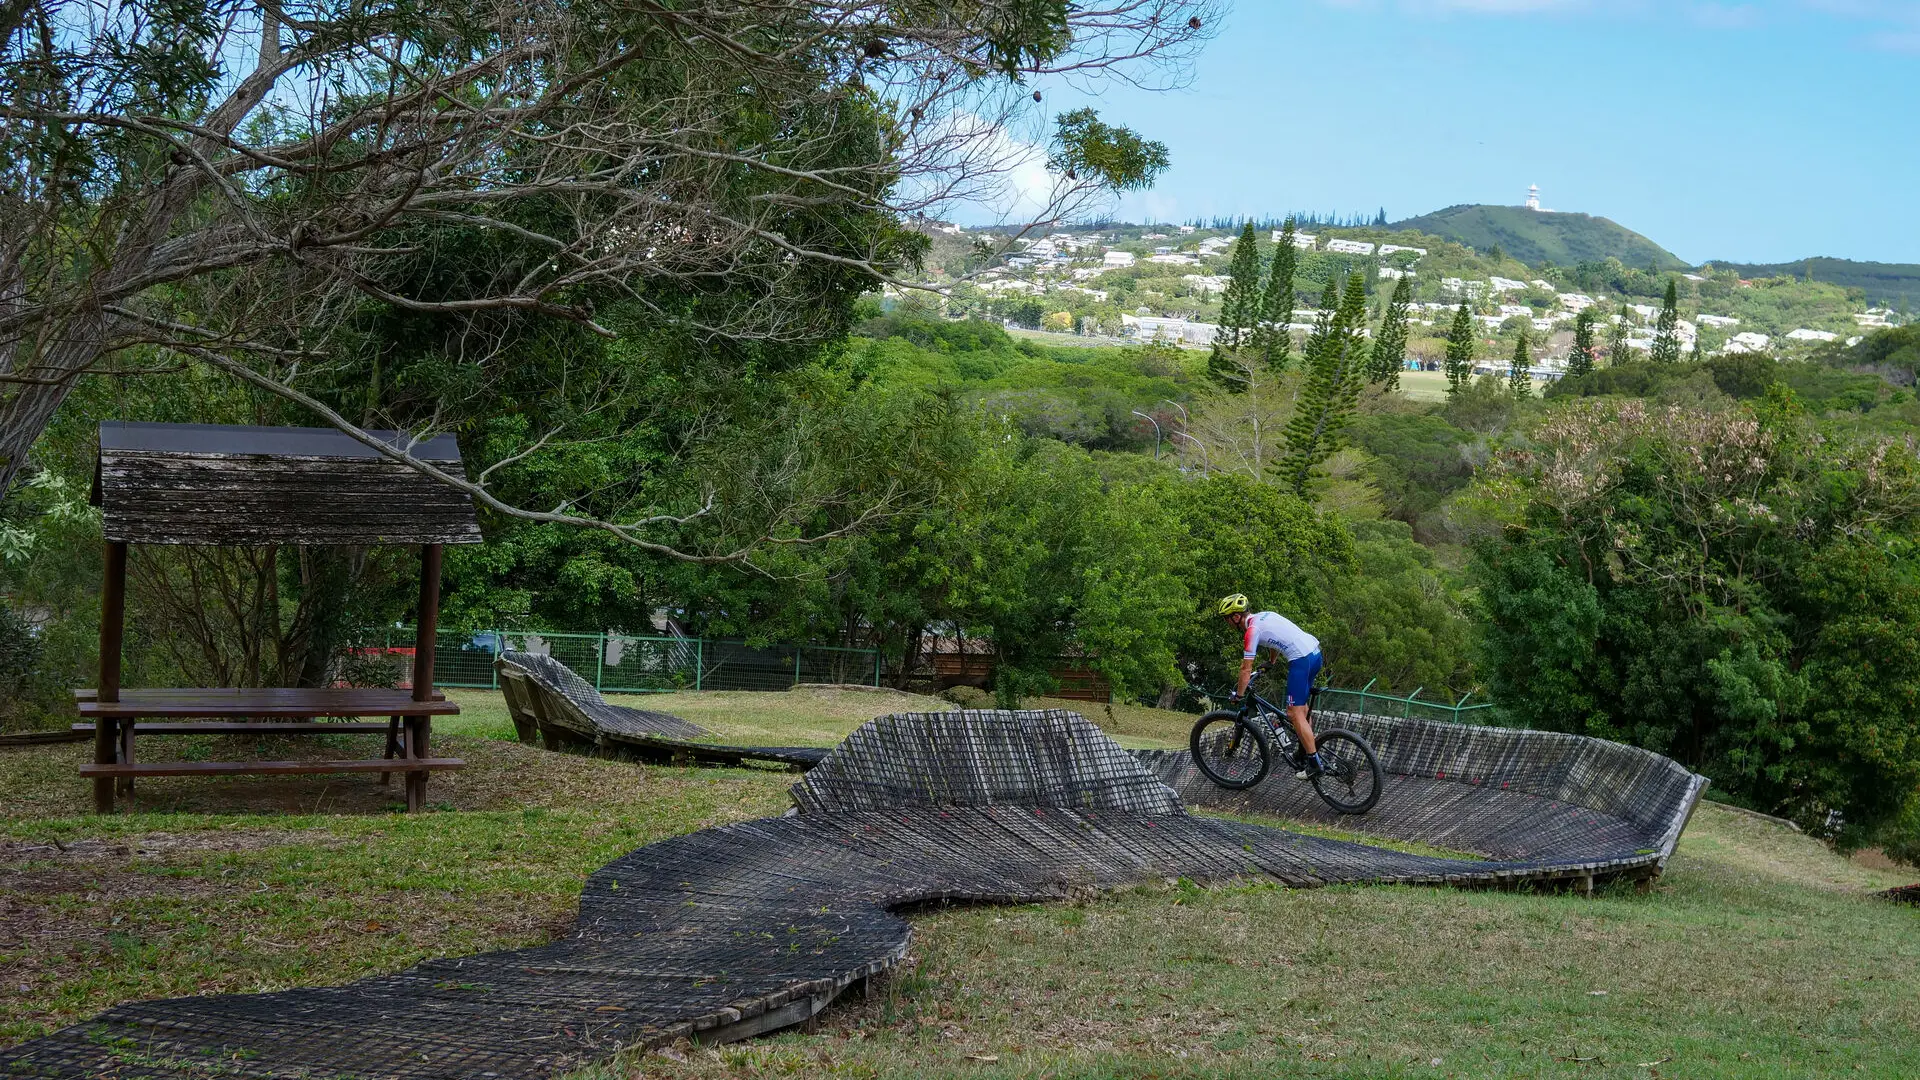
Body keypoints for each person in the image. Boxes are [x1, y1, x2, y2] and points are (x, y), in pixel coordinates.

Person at [1216, 593, 1325, 777]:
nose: (1227, 623)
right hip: (1314, 654)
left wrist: (1239, 695)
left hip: (1301, 660)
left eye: (1227, 619)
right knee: (1302, 709)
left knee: (1293, 713)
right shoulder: (1264, 616)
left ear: (1236, 617)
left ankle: (1314, 763)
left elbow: (1245, 668)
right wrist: (1272, 662)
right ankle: (1306, 750)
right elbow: (1275, 639)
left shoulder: (1251, 631)